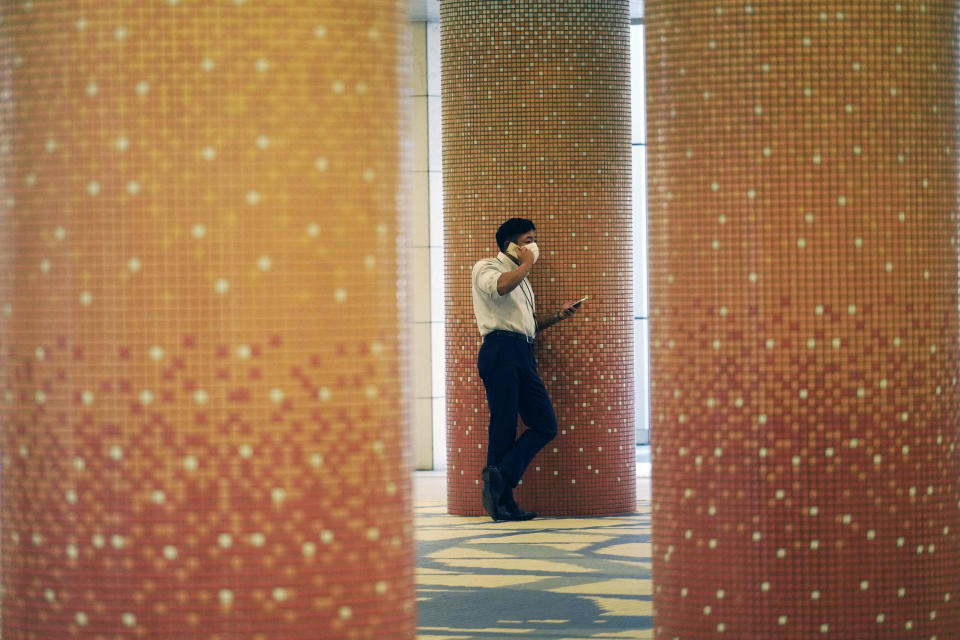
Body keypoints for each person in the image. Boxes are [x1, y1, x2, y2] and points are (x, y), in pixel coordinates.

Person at [471, 218, 582, 521]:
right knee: (504, 424)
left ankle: (500, 476)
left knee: (545, 424)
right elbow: (501, 288)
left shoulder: (524, 280)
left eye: (535, 240)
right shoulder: (487, 267)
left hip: (522, 350)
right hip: (499, 350)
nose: (534, 245)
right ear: (511, 244)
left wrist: (559, 316)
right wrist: (528, 263)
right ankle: (503, 503)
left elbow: (527, 325)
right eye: (528, 239)